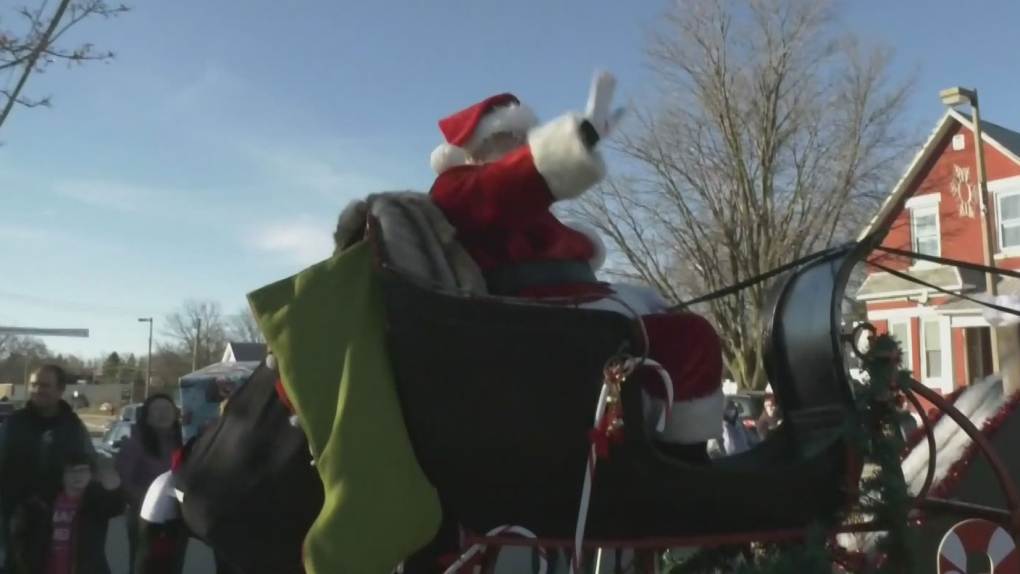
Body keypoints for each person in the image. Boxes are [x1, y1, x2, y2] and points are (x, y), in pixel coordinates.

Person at [427, 71, 724, 461]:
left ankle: (680, 453)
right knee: (689, 335)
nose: (520, 145)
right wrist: (577, 141)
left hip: (582, 318)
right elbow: (506, 184)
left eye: (525, 138)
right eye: (507, 137)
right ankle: (678, 465)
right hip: (546, 328)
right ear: (474, 150)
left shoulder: (527, 208)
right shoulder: (456, 188)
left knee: (689, 336)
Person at [0, 364, 96, 570]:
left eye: (45, 385)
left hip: (61, 521)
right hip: (16, 519)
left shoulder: (73, 427)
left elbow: (89, 465)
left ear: (60, 390)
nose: (37, 390)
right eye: (34, 385)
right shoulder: (13, 424)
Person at [8, 451, 124, 574]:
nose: (78, 475)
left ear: (90, 474)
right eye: (72, 471)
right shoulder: (44, 503)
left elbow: (116, 508)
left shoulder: (94, 502)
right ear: (63, 475)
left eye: (83, 470)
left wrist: (115, 490)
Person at [115, 394, 184, 574]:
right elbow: (125, 479)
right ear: (146, 416)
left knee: (172, 566)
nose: (163, 414)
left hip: (177, 517)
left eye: (168, 409)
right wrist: (148, 506)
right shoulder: (135, 441)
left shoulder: (183, 441)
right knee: (144, 566)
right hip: (144, 517)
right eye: (157, 410)